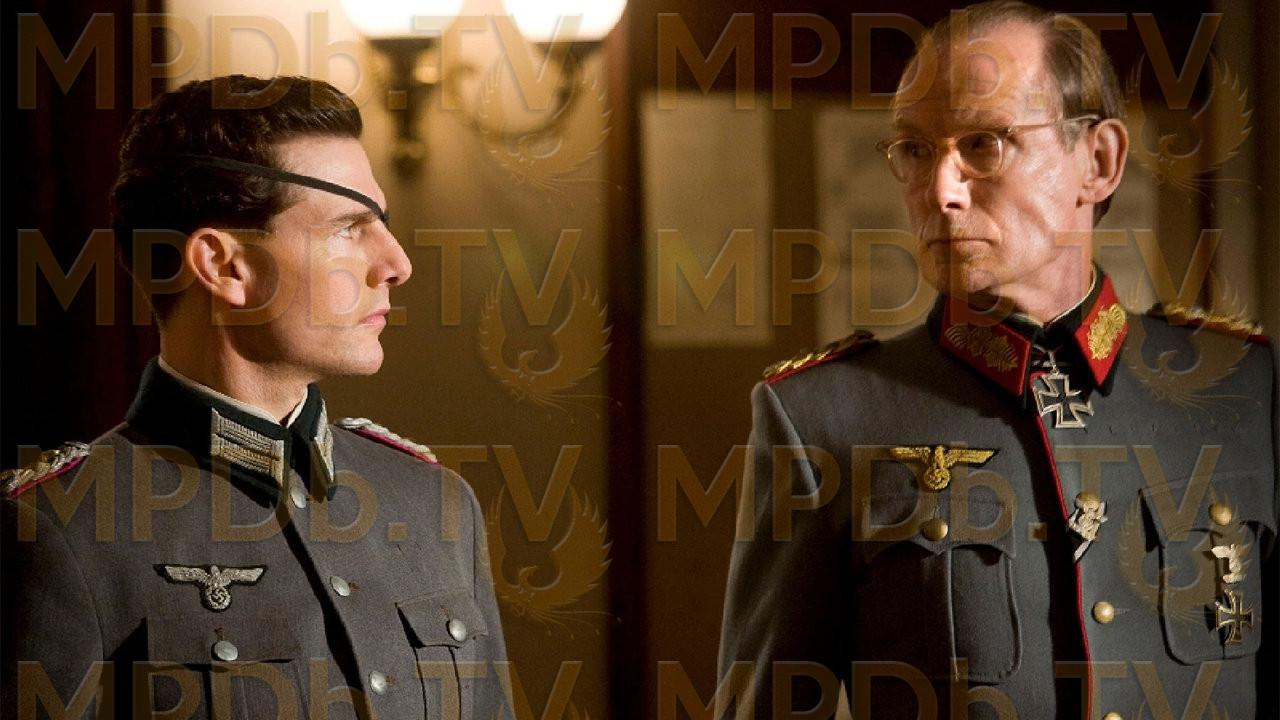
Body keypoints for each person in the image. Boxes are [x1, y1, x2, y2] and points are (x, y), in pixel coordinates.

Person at [717, 2, 1276, 718]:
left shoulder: (1246, 390)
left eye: (984, 144)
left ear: (1099, 162)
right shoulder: (823, 417)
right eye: (915, 150)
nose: (940, 191)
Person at [2, 75, 512, 719]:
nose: (396, 263)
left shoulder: (436, 503)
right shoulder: (61, 529)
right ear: (225, 267)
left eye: (380, 224)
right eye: (348, 229)